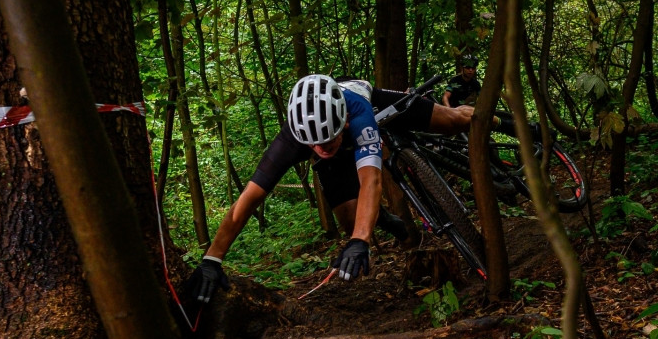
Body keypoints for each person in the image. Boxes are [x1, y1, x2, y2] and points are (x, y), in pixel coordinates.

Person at [189, 73, 476, 305]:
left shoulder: (358, 113)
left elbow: (371, 181)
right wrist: (212, 259)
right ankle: (385, 219)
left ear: (344, 122)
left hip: (368, 103)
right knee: (351, 221)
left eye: (329, 140)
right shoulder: (289, 141)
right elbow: (247, 201)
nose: (322, 148)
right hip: (334, 143)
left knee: (453, 121)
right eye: (314, 144)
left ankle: (508, 122)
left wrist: (360, 241)